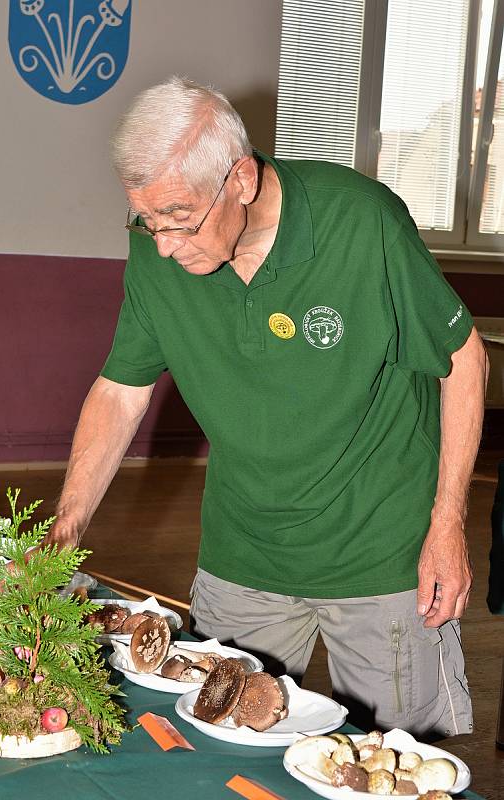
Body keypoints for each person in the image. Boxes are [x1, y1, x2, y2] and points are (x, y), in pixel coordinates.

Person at [44, 77, 488, 738]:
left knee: (395, 760)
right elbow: (122, 387)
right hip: (243, 553)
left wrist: (446, 522)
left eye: (180, 220)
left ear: (242, 180)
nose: (162, 245)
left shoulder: (359, 222)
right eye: (146, 220)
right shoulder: (157, 246)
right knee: (217, 748)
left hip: (379, 552)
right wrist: (67, 524)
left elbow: (463, 359)